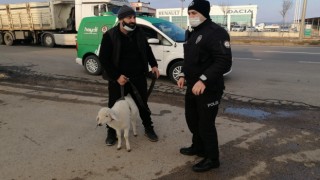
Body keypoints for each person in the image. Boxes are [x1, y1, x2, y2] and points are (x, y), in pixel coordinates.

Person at [177, 0, 232, 172]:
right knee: (192, 119)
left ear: (204, 14)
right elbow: (189, 58)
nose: (191, 17)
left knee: (205, 125)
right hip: (192, 86)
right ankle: (198, 147)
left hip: (209, 88)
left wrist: (204, 79)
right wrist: (183, 73)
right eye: (189, 14)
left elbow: (224, 61)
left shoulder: (217, 33)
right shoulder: (193, 32)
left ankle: (212, 158)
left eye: (194, 13)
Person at [98, 5, 160, 146]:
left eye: (134, 17)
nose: (133, 20)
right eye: (129, 17)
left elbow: (147, 50)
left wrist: (154, 65)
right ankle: (111, 132)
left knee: (142, 104)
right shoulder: (110, 35)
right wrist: (116, 76)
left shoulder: (139, 32)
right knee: (113, 107)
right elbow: (104, 59)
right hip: (118, 80)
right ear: (121, 19)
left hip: (138, 77)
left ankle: (148, 128)